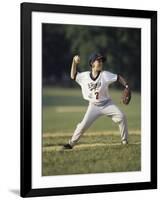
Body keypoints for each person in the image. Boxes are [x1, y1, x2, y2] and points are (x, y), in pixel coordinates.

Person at [63, 52, 130, 149]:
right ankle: (71, 143)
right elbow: (73, 76)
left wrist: (126, 85)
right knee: (83, 126)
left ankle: (124, 141)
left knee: (122, 117)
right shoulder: (84, 76)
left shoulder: (105, 75)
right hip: (93, 106)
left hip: (107, 104)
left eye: (101, 61)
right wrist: (74, 62)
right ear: (92, 63)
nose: (101, 62)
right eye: (98, 60)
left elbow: (118, 77)